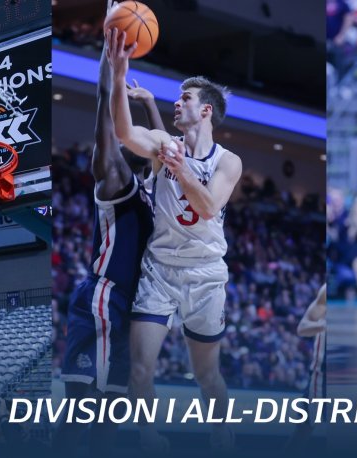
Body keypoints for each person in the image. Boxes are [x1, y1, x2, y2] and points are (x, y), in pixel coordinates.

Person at [107, 27, 242, 450]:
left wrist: (180, 170)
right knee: (140, 371)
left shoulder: (229, 162)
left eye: (185, 98)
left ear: (206, 111)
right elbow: (125, 133)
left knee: (206, 376)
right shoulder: (164, 142)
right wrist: (117, 76)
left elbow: (209, 207)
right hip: (160, 272)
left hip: (205, 275)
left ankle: (221, 432)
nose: (177, 103)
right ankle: (150, 438)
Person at [53, 12, 159, 454]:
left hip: (127, 309)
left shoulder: (153, 192)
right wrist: (113, 69)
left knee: (112, 415)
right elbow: (104, 114)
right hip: (102, 298)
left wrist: (149, 103)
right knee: (82, 411)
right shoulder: (115, 180)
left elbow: (163, 152)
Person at [285, 284, 327, 451]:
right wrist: (323, 326)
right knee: (303, 430)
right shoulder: (325, 292)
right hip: (321, 376)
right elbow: (302, 328)